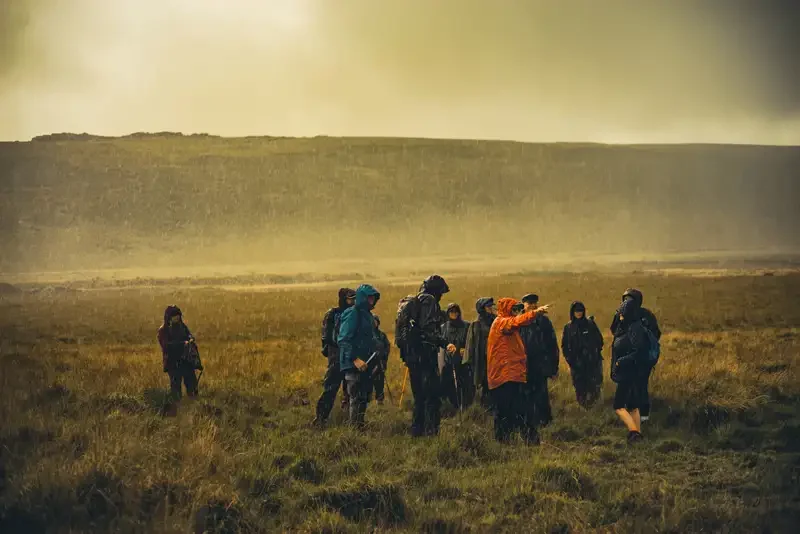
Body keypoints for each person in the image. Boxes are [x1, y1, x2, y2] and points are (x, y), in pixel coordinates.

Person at [487, 298, 548, 443]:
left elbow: (520, 321)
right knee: (515, 410)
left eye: (517, 310)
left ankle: (509, 441)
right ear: (507, 310)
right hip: (505, 376)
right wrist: (535, 312)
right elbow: (516, 322)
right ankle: (524, 441)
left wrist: (534, 315)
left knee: (509, 410)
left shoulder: (505, 324)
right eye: (513, 309)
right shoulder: (501, 322)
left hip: (509, 375)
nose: (516, 313)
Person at [402, 275, 453, 437]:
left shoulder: (415, 301)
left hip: (412, 356)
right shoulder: (429, 301)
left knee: (419, 398)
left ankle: (417, 432)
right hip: (425, 356)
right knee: (432, 397)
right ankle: (431, 432)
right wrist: (445, 343)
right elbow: (429, 331)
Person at [610, 288, 661, 421]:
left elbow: (655, 334)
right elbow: (614, 330)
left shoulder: (645, 315)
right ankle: (635, 415)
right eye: (626, 300)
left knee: (640, 385)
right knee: (630, 385)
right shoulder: (624, 313)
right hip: (629, 357)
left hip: (639, 357)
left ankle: (643, 415)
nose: (627, 302)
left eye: (630, 299)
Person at [339, 284, 381, 429]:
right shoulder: (353, 313)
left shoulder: (367, 315)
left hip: (366, 363)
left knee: (363, 397)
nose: (372, 300)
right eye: (369, 297)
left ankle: (359, 427)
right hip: (353, 364)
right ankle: (354, 432)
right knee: (355, 398)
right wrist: (355, 359)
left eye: (373, 297)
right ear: (363, 297)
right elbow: (344, 339)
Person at [610, 298, 652, 443]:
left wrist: (621, 361)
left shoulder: (634, 329)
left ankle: (634, 431)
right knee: (633, 406)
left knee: (619, 406)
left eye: (622, 313)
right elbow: (613, 329)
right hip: (633, 371)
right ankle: (637, 435)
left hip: (628, 372)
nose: (619, 315)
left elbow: (638, 351)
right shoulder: (628, 326)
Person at [313, 288, 356, 427]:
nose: (353, 301)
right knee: (331, 389)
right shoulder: (334, 314)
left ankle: (347, 418)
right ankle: (321, 418)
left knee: (350, 389)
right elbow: (328, 338)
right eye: (350, 298)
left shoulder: (352, 314)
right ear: (343, 298)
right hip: (337, 357)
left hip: (347, 356)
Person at [518, 293, 559, 427]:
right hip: (523, 365)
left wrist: (553, 366)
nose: (532, 305)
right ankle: (527, 422)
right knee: (524, 395)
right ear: (524, 305)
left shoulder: (544, 321)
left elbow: (552, 344)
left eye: (534, 303)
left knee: (541, 394)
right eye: (529, 303)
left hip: (540, 364)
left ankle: (544, 422)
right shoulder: (518, 320)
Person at [561, 301, 605, 408]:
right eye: (576, 311)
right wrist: (571, 360)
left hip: (592, 362)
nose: (579, 313)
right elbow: (565, 346)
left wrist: (594, 354)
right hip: (576, 363)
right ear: (572, 312)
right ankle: (583, 407)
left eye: (581, 310)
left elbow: (599, 340)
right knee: (580, 387)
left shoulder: (590, 324)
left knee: (594, 386)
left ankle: (594, 408)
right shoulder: (568, 327)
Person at [157, 305, 200, 400]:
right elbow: (166, 346)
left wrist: (191, 339)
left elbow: (189, 335)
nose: (177, 318)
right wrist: (182, 344)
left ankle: (194, 405)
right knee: (176, 389)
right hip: (173, 362)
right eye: (174, 316)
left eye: (178, 315)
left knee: (192, 385)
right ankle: (177, 409)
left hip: (186, 360)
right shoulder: (163, 330)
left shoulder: (182, 326)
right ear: (168, 317)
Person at [464, 297, 497, 408]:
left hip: (496, 358)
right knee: (485, 382)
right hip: (483, 359)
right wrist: (469, 361)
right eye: (488, 306)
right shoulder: (476, 324)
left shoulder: (497, 320)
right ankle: (485, 408)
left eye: (492, 306)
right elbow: (470, 344)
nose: (491, 308)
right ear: (482, 308)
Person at [439, 303, 472, 409]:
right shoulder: (443, 327)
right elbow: (441, 342)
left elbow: (470, 341)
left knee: (464, 384)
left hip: (463, 360)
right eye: (451, 312)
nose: (454, 314)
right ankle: (452, 405)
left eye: (456, 312)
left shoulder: (466, 326)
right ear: (448, 313)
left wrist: (466, 349)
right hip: (448, 360)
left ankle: (465, 405)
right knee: (449, 384)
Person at [371, 313, 391, 405]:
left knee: (379, 382)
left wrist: (384, 356)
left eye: (375, 321)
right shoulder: (367, 334)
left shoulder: (382, 335)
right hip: (369, 362)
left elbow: (387, 346)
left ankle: (379, 400)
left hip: (380, 362)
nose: (374, 323)